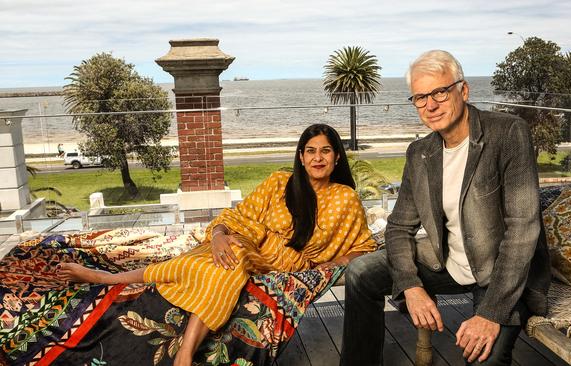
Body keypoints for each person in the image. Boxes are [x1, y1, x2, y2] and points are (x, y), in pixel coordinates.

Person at [59, 123, 376, 366]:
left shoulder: (344, 198)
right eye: (310, 151)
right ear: (301, 156)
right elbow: (238, 215)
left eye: (325, 151)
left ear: (336, 157)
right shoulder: (280, 182)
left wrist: (327, 267)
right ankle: (109, 280)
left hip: (275, 259)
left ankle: (181, 347)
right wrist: (218, 235)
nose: (317, 157)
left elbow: (361, 246)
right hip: (243, 239)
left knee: (226, 262)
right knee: (202, 262)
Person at [340, 50, 550, 366]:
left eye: (440, 92)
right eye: (420, 97)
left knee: (483, 357)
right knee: (361, 271)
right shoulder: (420, 153)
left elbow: (523, 229)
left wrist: (490, 314)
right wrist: (411, 286)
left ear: (462, 90)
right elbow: (398, 227)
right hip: (447, 264)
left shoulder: (507, 133)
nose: (431, 105)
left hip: (500, 275)